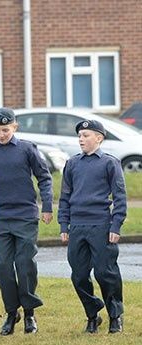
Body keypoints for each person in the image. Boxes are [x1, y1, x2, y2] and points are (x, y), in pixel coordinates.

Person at [0, 107, 53, 336]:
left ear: (15, 127)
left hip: (26, 215)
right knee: (2, 266)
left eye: (5, 130)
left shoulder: (27, 149)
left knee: (25, 263)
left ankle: (29, 312)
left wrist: (47, 206)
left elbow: (44, 178)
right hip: (2, 217)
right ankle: (11, 312)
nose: (1, 134)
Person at [58, 119, 127, 334]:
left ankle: (115, 315)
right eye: (79, 135)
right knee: (78, 275)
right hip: (77, 226)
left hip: (101, 225)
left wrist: (115, 226)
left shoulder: (109, 163)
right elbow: (65, 197)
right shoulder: (72, 164)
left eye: (86, 135)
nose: (81, 139)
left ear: (99, 138)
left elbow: (120, 197)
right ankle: (92, 314)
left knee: (105, 273)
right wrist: (64, 225)